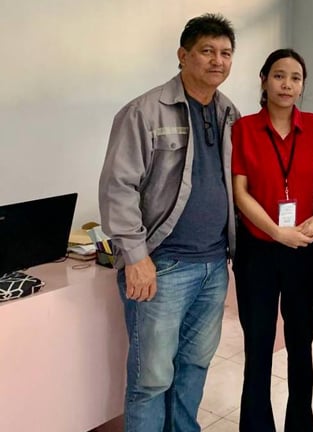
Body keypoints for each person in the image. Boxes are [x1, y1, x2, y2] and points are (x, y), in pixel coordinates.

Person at [98, 13, 239, 432]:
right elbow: (118, 187)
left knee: (194, 367)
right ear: (183, 55)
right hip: (162, 266)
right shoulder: (144, 112)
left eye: (226, 53)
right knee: (152, 379)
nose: (217, 61)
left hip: (214, 265)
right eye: (207, 51)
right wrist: (135, 256)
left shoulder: (229, 112)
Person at [231, 48, 313, 432]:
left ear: (302, 85)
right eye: (278, 76)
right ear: (263, 80)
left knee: (301, 346)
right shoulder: (244, 129)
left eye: (295, 78)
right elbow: (240, 192)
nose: (287, 84)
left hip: (304, 251)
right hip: (258, 251)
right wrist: (276, 231)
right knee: (258, 347)